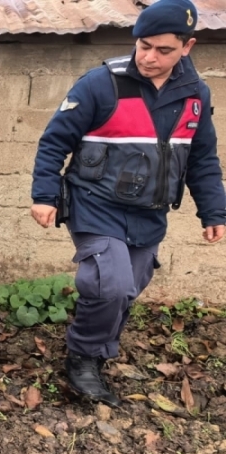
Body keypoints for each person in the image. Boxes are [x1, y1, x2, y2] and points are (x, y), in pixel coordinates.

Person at [31, 0, 225, 408]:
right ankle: (83, 357)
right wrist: (44, 196)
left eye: (163, 50)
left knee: (129, 288)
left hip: (149, 212)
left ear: (187, 47)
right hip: (95, 202)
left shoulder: (195, 95)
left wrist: (213, 211)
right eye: (144, 46)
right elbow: (54, 142)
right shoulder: (101, 84)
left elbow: (202, 158)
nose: (150, 57)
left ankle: (99, 351)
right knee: (109, 283)